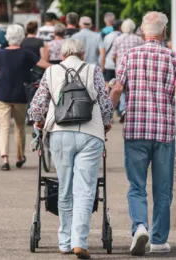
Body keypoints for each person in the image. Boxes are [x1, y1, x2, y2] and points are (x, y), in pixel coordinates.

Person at [29, 38, 113, 259]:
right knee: (85, 189)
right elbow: (105, 104)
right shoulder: (93, 70)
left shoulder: (51, 72)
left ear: (63, 55)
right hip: (90, 134)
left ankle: (64, 242)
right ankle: (79, 241)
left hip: (59, 134)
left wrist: (38, 121)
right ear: (82, 54)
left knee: (64, 188)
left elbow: (37, 105)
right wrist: (106, 123)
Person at [110, 11, 176, 256]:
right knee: (163, 189)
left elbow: (118, 88)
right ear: (164, 32)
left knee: (137, 186)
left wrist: (105, 115)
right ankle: (159, 240)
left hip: (136, 130)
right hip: (163, 132)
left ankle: (139, 226)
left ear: (143, 32)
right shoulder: (173, 57)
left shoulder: (129, 56)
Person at [0, 24, 50, 171]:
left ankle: (5, 159)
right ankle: (19, 157)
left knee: (4, 127)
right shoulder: (26, 53)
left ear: (7, 37)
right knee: (20, 127)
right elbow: (43, 64)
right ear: (21, 37)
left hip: (2, 94)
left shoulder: (0, 53)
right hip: (20, 94)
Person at [112, 18, 144, 123]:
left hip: (121, 67)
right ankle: (132, 110)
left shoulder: (118, 39)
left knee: (121, 88)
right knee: (134, 90)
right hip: (135, 68)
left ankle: (122, 110)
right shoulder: (138, 39)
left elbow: (113, 55)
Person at [103, 20, 122, 91]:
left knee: (108, 85)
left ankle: (108, 100)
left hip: (108, 64)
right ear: (120, 27)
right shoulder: (121, 36)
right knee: (118, 86)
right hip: (118, 65)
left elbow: (104, 50)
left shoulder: (107, 36)